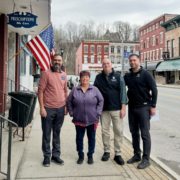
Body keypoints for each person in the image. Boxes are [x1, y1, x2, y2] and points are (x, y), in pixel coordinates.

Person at [124, 54, 158, 169]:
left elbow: (154, 89)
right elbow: (120, 88)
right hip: (132, 108)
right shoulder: (127, 76)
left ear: (139, 61)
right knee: (134, 133)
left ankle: (146, 159)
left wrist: (153, 106)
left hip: (144, 107)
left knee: (144, 134)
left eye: (134, 60)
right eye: (130, 60)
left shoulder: (146, 74)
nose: (132, 62)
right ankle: (137, 155)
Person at [94, 59, 127, 165]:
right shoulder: (98, 78)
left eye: (108, 63)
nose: (106, 65)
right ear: (102, 66)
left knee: (118, 131)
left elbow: (123, 92)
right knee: (105, 132)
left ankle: (118, 154)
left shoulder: (118, 76)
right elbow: (95, 93)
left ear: (111, 65)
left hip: (117, 109)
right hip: (104, 110)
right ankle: (107, 151)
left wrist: (123, 108)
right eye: (104, 64)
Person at [67, 71, 104, 165]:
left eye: (87, 77)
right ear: (80, 79)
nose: (85, 79)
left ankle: (90, 155)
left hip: (92, 119)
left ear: (89, 78)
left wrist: (98, 112)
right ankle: (80, 155)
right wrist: (71, 112)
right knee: (79, 138)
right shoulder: (75, 90)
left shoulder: (94, 89)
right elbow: (69, 101)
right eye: (83, 77)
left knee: (91, 138)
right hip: (78, 119)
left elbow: (101, 100)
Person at [38, 54, 68, 167]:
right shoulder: (46, 73)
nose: (57, 62)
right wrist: (42, 108)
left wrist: (65, 107)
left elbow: (65, 91)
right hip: (48, 109)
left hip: (60, 109)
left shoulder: (64, 75)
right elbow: (40, 91)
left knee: (57, 132)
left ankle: (56, 155)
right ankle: (46, 157)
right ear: (51, 61)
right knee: (46, 133)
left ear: (62, 61)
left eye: (59, 60)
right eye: (55, 60)